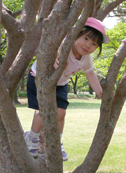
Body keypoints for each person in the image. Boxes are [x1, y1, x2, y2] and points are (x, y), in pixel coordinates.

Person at [23, 17, 110, 161]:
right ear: (76, 34)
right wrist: (55, 59)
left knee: (61, 113)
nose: (88, 45)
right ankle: (32, 138)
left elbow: (90, 74)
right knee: (42, 111)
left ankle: (57, 143)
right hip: (39, 79)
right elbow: (49, 53)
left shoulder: (86, 59)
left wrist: (100, 93)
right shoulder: (63, 45)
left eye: (94, 43)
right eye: (86, 38)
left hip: (61, 84)